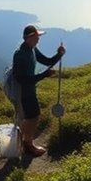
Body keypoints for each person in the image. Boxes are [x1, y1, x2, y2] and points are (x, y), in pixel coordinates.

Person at [13, 24, 65, 157]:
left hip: (29, 89)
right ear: (29, 38)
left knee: (31, 116)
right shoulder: (20, 55)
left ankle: (22, 142)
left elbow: (47, 61)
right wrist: (44, 75)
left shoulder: (32, 49)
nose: (38, 39)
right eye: (37, 37)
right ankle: (28, 145)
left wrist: (59, 54)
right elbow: (21, 79)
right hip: (23, 92)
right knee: (33, 116)